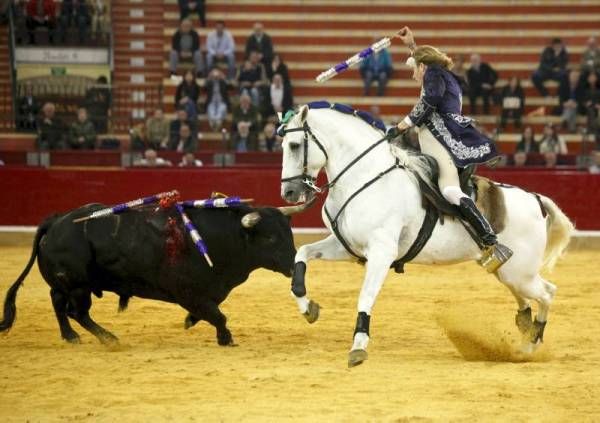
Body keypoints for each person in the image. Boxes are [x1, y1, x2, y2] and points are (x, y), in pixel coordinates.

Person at [391, 27, 510, 269]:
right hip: (437, 142)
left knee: (449, 191)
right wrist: (412, 45)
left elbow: (429, 99)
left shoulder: (433, 74)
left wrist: (401, 126)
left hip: (442, 142)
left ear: (423, 67)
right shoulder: (438, 73)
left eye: (415, 69)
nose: (413, 75)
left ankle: (490, 241)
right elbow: (426, 72)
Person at [582, 71, 600, 141]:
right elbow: (581, 99)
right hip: (586, 108)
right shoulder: (584, 87)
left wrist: (598, 104)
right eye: (590, 77)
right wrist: (586, 103)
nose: (592, 79)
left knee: (594, 111)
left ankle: (592, 130)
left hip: (597, 107)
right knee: (590, 110)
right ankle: (596, 132)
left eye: (593, 77)